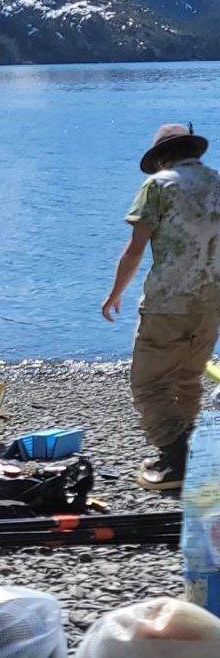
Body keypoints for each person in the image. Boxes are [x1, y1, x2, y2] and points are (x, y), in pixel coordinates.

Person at [102, 123, 220, 490]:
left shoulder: (158, 185)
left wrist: (114, 293)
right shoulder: (217, 182)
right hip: (212, 299)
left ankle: (176, 455)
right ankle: (185, 453)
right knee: (187, 377)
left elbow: (136, 248)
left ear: (161, 157)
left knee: (148, 384)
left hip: (169, 301)